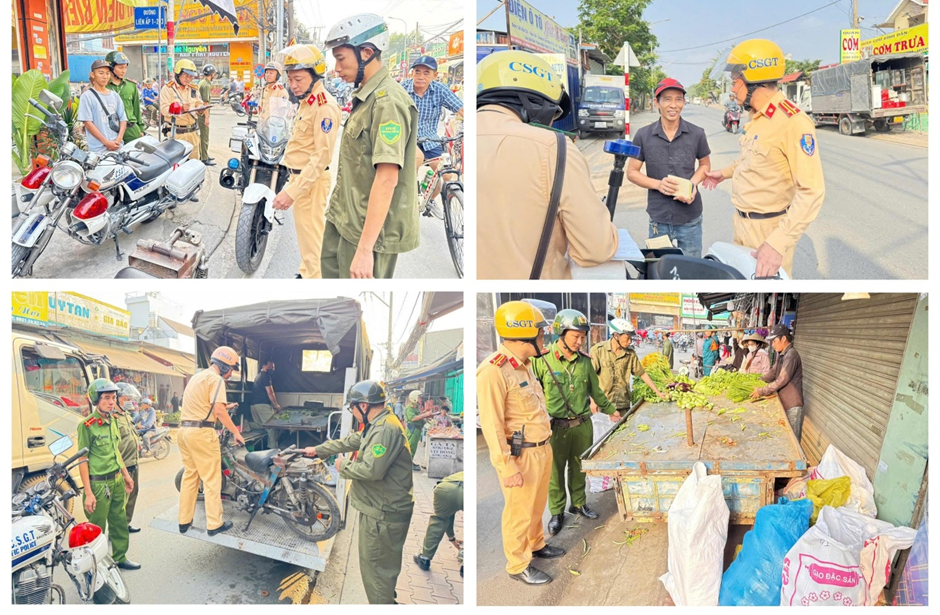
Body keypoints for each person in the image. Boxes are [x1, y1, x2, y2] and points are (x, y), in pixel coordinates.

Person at [477, 50, 619, 279]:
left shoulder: (455, 141)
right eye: (555, 113)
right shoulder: (555, 148)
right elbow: (595, 250)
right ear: (541, 107)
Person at [702, 39, 825, 278]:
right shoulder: (757, 118)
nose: (732, 89)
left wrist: (777, 244)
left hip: (768, 231)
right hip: (742, 224)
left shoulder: (793, 122)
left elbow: (812, 191)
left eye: (735, 81)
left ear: (754, 80)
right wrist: (724, 173)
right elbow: (751, 160)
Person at [322, 13, 419, 279]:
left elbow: (387, 179)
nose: (336, 68)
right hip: (345, 219)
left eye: (341, 59)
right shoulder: (368, 97)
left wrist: (365, 250)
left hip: (366, 234)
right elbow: (415, 155)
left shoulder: (387, 102)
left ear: (366, 52)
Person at [477, 301, 565, 585]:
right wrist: (507, 468)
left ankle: (536, 545)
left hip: (541, 448)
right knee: (518, 512)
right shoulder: (493, 370)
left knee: (537, 506)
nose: (544, 338)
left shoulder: (525, 365)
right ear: (525, 334)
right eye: (540, 333)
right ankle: (517, 564)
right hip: (520, 456)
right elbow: (491, 425)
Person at [303, 380, 414, 604]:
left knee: (376, 574)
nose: (351, 413)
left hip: (382, 515)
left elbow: (371, 470)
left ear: (363, 406)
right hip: (381, 509)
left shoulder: (384, 429)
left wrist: (342, 466)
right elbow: (353, 440)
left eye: (351, 408)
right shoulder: (379, 423)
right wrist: (318, 450)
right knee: (382, 570)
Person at [532, 309, 618, 537]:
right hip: (555, 428)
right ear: (561, 333)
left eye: (582, 337)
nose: (580, 342)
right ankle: (557, 512)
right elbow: (531, 394)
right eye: (575, 337)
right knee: (555, 472)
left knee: (580, 468)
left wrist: (612, 411)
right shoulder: (542, 360)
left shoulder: (585, 362)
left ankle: (578, 503)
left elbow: (595, 392)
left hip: (582, 426)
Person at [271, 44, 341, 280]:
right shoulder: (308, 101)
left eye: (298, 79)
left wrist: (292, 192)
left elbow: (321, 157)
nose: (293, 85)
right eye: (290, 79)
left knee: (313, 242)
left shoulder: (324, 106)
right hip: (300, 178)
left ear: (315, 75)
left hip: (309, 182)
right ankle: (306, 274)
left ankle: (315, 281)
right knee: (307, 238)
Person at [627, 78, 711, 258]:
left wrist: (692, 185)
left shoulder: (697, 133)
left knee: (691, 269)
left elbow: (705, 165)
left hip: (690, 217)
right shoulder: (643, 135)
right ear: (656, 102)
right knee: (659, 268)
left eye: (678, 99)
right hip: (659, 217)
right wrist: (658, 185)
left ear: (684, 102)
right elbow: (632, 172)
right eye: (667, 99)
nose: (673, 105)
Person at [177, 346, 245, 536]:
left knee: (190, 475)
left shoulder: (197, 377)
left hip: (184, 432)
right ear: (224, 367)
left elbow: (205, 404)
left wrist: (226, 405)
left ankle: (184, 520)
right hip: (201, 434)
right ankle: (214, 524)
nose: (231, 374)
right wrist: (236, 433)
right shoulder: (216, 380)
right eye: (231, 369)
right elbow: (219, 412)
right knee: (212, 479)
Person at [76, 379, 139, 570]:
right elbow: (82, 460)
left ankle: (120, 557)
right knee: (97, 528)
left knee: (119, 521)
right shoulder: (87, 426)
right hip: (98, 485)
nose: (111, 402)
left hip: (116, 481)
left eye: (113, 398)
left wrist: (126, 476)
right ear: (95, 399)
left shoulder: (113, 421)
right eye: (106, 398)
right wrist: (88, 492)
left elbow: (115, 452)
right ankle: (96, 565)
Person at [401, 55, 464, 217]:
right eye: (417, 72)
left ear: (435, 75)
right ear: (412, 73)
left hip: (430, 140)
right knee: (417, 158)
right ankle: (407, 200)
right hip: (408, 138)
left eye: (426, 73)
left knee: (447, 174)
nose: (421, 76)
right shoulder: (402, 89)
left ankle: (429, 200)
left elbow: (461, 109)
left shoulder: (440, 90)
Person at [592, 319, 669, 420]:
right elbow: (591, 378)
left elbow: (642, 374)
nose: (630, 342)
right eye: (627, 338)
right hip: (604, 405)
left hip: (623, 404)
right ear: (616, 335)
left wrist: (658, 392)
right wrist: (593, 401)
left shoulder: (630, 354)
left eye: (631, 338)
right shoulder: (598, 351)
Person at [751, 324, 804, 440]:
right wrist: (757, 380)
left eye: (774, 341)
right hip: (784, 402)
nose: (773, 344)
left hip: (792, 406)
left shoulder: (791, 356)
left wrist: (761, 391)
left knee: (793, 442)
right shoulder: (782, 355)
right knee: (785, 439)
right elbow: (773, 373)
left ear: (784, 339)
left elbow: (781, 380)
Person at [413, 471, 463, 573]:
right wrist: (452, 538)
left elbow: (448, 515)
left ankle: (424, 558)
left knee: (439, 520)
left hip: (444, 489)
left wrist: (452, 538)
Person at [78, 59, 127, 154]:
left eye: (108, 73)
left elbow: (123, 119)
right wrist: (106, 142)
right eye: (101, 73)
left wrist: (118, 140)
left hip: (118, 148)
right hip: (98, 150)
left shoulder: (115, 95)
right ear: (93, 75)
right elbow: (88, 123)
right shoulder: (87, 96)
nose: (105, 77)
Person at [114, 382, 143, 534]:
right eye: (127, 398)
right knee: (121, 500)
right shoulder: (113, 417)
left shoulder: (126, 415)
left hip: (134, 462)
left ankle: (125, 524)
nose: (130, 401)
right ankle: (117, 530)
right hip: (122, 465)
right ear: (118, 398)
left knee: (132, 495)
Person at [159, 59, 202, 160]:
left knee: (194, 165)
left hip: (192, 133)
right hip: (176, 134)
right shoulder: (168, 89)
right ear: (177, 73)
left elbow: (198, 103)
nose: (188, 79)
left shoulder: (193, 89)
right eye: (186, 75)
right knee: (176, 167)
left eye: (191, 76)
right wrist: (180, 108)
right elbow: (164, 109)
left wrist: (201, 109)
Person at [104, 51, 145, 144]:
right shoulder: (104, 86)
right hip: (110, 131)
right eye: (120, 67)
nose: (124, 70)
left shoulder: (131, 86)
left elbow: (136, 109)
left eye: (125, 67)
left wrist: (140, 129)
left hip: (131, 130)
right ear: (111, 67)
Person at [404, 390, 443, 471]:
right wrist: (425, 415)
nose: (421, 399)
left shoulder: (416, 406)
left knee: (413, 448)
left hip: (417, 429)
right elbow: (413, 418)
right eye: (419, 397)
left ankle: (410, 462)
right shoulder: (410, 408)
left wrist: (427, 416)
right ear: (414, 398)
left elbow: (419, 416)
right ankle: (407, 464)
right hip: (412, 430)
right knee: (410, 447)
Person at [249, 360, 282, 448]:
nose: (272, 369)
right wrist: (276, 405)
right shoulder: (266, 376)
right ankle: (273, 448)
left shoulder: (258, 376)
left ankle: (246, 425)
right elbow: (270, 392)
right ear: (264, 366)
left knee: (262, 425)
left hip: (253, 405)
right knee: (272, 426)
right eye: (270, 367)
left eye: (273, 367)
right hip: (262, 405)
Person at [196, 63, 217, 166]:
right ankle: (204, 158)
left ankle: (205, 155)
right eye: (214, 74)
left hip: (199, 113)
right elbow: (205, 103)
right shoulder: (206, 85)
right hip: (202, 114)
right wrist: (207, 118)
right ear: (211, 74)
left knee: (203, 136)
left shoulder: (202, 82)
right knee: (204, 137)